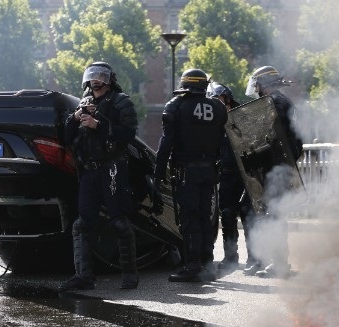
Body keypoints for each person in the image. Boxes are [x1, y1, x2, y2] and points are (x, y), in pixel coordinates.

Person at [58, 61, 140, 291]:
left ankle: (130, 276)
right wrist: (75, 119)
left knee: (120, 221)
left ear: (109, 80)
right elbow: (67, 136)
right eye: (92, 76)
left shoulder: (122, 102)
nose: (96, 80)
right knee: (82, 224)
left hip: (113, 167)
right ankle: (84, 276)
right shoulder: (84, 103)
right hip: (90, 171)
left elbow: (128, 135)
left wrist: (99, 124)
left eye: (100, 76)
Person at [153, 69, 228, 282]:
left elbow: (165, 143)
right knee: (206, 217)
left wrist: (158, 174)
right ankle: (207, 264)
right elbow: (225, 142)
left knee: (189, 218)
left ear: (185, 85)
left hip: (186, 172)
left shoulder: (176, 106)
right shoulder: (218, 108)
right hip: (209, 171)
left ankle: (192, 265)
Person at [241, 65, 304, 278]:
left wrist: (253, 158)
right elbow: (296, 142)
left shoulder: (275, 104)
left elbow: (274, 142)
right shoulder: (284, 102)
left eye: (258, 84)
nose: (256, 88)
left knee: (274, 215)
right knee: (273, 214)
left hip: (276, 168)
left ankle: (279, 264)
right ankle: (274, 261)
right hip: (280, 167)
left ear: (265, 85)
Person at [206, 82, 245, 272]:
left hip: (246, 174)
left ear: (226, 99)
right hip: (226, 175)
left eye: (218, 100)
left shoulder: (241, 117)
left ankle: (256, 258)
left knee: (249, 215)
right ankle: (231, 257)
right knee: (227, 215)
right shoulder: (214, 123)